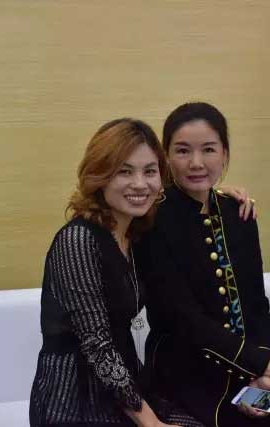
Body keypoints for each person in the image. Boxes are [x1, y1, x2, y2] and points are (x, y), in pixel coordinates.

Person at [137, 102, 270, 427]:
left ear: (225, 154)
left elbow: (256, 304)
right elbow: (186, 322)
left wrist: (265, 370)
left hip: (253, 367)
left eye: (208, 149)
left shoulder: (238, 212)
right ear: (166, 157)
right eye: (182, 151)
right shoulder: (153, 221)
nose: (196, 163)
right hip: (189, 374)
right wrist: (267, 368)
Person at [29, 118, 205, 427]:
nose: (140, 184)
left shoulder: (136, 232)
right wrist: (152, 424)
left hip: (127, 389)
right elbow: (98, 348)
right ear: (100, 176)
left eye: (149, 171)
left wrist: (223, 196)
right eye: (125, 172)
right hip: (75, 402)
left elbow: (188, 204)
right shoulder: (78, 240)